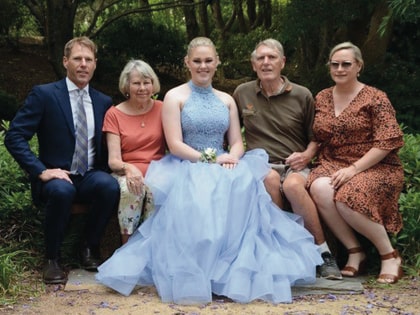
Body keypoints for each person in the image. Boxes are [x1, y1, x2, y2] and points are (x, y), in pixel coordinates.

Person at [96, 37, 323, 304]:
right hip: (189, 164)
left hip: (226, 163)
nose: (203, 66)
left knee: (244, 188)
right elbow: (175, 144)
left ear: (216, 62)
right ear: (187, 63)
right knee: (201, 203)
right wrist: (210, 158)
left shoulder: (227, 99)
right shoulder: (175, 96)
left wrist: (233, 158)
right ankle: (202, 272)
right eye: (197, 61)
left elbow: (237, 141)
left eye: (208, 61)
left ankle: (232, 271)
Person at [4, 36, 120, 285]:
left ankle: (89, 249)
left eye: (88, 60)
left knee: (109, 187)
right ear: (65, 61)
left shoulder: (103, 101)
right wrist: (40, 171)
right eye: (77, 58)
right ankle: (52, 259)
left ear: (95, 64)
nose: (83, 64)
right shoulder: (44, 94)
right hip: (56, 175)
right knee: (61, 190)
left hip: (89, 174)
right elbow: (14, 137)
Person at [233, 38, 342, 280]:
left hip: (296, 165)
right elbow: (232, 134)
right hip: (260, 163)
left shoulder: (302, 95)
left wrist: (306, 155)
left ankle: (323, 253)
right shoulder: (243, 93)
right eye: (260, 58)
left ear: (282, 62)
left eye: (271, 57)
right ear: (253, 65)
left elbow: (317, 137)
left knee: (293, 186)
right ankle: (279, 251)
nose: (266, 62)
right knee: (268, 179)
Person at [307, 42, 404, 283]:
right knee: (319, 188)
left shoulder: (376, 97)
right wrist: (307, 154)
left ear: (358, 66)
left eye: (346, 64)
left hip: (375, 165)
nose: (340, 69)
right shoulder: (322, 97)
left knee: (347, 197)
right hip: (333, 161)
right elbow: (318, 138)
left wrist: (353, 169)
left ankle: (389, 255)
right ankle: (355, 251)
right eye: (335, 64)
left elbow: (386, 141)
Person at [103, 59, 166, 244]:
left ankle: (152, 246)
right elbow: (113, 161)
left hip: (159, 170)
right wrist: (129, 169)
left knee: (159, 189)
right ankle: (128, 246)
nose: (142, 88)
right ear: (126, 86)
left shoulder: (163, 109)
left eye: (147, 82)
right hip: (126, 171)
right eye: (136, 83)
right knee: (132, 188)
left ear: (153, 85)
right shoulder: (114, 114)